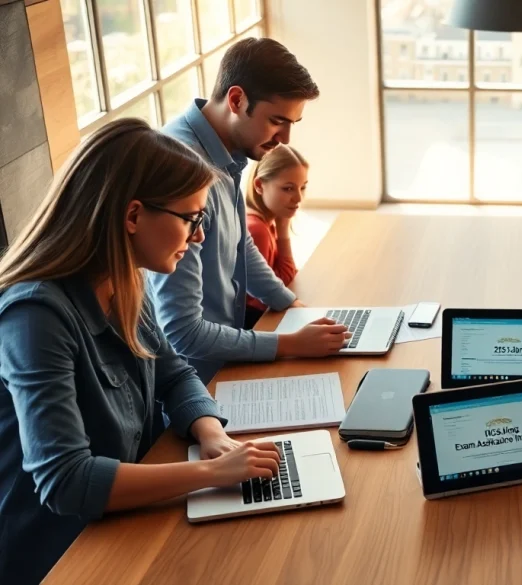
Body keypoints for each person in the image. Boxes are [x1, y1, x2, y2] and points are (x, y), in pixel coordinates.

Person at [0, 120, 285, 585]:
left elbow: (174, 374)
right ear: (133, 216)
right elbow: (66, 481)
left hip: (123, 521)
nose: (198, 237)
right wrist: (208, 474)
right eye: (192, 218)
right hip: (60, 555)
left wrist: (210, 434)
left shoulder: (126, 278)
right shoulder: (35, 315)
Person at [150, 38, 349, 384]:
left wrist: (288, 304)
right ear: (237, 100)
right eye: (277, 121)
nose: (285, 138)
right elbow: (181, 331)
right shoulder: (181, 171)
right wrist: (287, 344)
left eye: (292, 124)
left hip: (227, 361)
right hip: (195, 383)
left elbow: (240, 244)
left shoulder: (229, 154)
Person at [242, 144, 308, 329]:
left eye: (302, 188)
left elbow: (285, 278)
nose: (298, 198)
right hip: (255, 324)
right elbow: (277, 288)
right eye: (288, 189)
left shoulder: (267, 222)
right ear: (259, 186)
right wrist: (283, 232)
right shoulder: (256, 230)